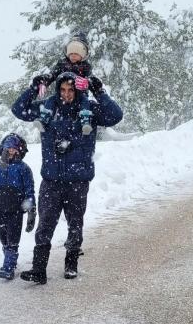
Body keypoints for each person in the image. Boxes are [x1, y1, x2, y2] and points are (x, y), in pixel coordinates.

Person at [11, 71, 123, 284]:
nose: (66, 94)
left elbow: (115, 116)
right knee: (45, 224)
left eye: (71, 90)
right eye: (62, 90)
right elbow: (18, 109)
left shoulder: (89, 109)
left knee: (75, 224)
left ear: (77, 90)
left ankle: (71, 263)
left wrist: (100, 92)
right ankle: (39, 269)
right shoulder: (47, 109)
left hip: (78, 180)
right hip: (51, 180)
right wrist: (35, 88)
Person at [0, 133, 37, 280]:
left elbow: (29, 192)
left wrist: (31, 211)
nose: (11, 152)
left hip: (16, 210)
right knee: (3, 237)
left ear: (20, 151)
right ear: (3, 149)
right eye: (8, 149)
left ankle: (8, 266)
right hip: (0, 209)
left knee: (13, 239)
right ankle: (10, 258)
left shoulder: (24, 169)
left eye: (15, 150)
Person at [32, 33, 98, 136]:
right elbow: (52, 75)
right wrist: (44, 81)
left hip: (79, 95)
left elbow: (91, 80)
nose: (73, 56)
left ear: (83, 55)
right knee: (51, 100)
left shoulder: (85, 67)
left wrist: (87, 83)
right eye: (71, 54)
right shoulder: (62, 64)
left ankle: (85, 120)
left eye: (76, 54)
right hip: (62, 95)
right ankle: (44, 118)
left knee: (85, 102)